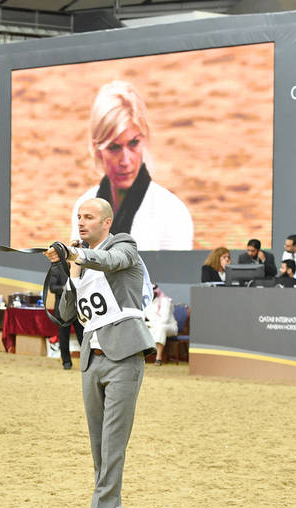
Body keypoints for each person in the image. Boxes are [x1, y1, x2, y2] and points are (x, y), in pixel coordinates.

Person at [46, 197, 154, 508]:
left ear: (106, 223)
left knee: (112, 447)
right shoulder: (81, 263)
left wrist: (77, 256)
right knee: (98, 448)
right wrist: (70, 272)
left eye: (88, 217)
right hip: (92, 360)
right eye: (78, 217)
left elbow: (110, 260)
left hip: (124, 358)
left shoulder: (124, 246)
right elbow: (64, 314)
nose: (81, 222)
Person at [71, 80, 193, 251]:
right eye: (114, 147)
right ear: (97, 148)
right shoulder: (83, 204)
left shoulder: (171, 212)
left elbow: (173, 277)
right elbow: (77, 275)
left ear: (144, 139)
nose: (125, 161)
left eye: (133, 143)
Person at [48, 264, 83, 370]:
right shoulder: (56, 269)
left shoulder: (80, 266)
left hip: (78, 309)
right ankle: (66, 362)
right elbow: (52, 287)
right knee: (63, 338)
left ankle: (89, 361)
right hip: (62, 310)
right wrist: (64, 288)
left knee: (83, 337)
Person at [143, 284, 177, 365]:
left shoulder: (165, 301)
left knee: (160, 328)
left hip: (169, 327)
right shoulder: (146, 303)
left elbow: (164, 320)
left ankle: (158, 357)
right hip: (152, 326)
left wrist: (148, 324)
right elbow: (142, 317)